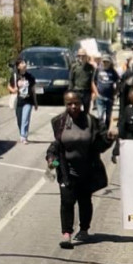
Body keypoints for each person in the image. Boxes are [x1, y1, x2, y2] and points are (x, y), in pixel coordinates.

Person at [46, 91, 115, 249]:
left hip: (87, 170)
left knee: (85, 201)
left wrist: (109, 139)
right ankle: (66, 234)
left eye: (76, 103)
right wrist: (52, 161)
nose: (73, 106)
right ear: (65, 104)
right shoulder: (59, 122)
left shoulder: (91, 121)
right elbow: (56, 146)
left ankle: (84, 229)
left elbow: (100, 146)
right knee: (66, 201)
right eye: (69, 104)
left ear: (81, 103)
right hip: (66, 170)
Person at [8, 58, 38, 144]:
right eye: (22, 63)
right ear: (18, 66)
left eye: (24, 62)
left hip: (28, 100)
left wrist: (35, 103)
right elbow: (9, 86)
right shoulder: (15, 76)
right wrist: (14, 90)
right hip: (19, 100)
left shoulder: (30, 77)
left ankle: (23, 136)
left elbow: (33, 90)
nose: (24, 64)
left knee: (25, 118)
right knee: (19, 120)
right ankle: (22, 133)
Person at [69, 48, 97, 113]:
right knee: (76, 109)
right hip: (76, 91)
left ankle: (85, 122)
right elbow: (71, 80)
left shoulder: (90, 67)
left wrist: (93, 92)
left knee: (86, 110)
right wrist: (70, 91)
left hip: (86, 91)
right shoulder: (74, 66)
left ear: (86, 56)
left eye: (83, 56)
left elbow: (93, 81)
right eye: (79, 56)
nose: (81, 57)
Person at [95, 54, 120, 129]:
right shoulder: (98, 70)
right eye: (104, 62)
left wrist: (116, 92)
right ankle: (100, 130)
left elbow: (118, 81)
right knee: (100, 115)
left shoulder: (113, 71)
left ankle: (107, 129)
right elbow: (93, 82)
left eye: (107, 62)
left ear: (110, 63)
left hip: (109, 96)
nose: (105, 63)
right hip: (100, 96)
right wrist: (96, 93)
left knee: (108, 115)